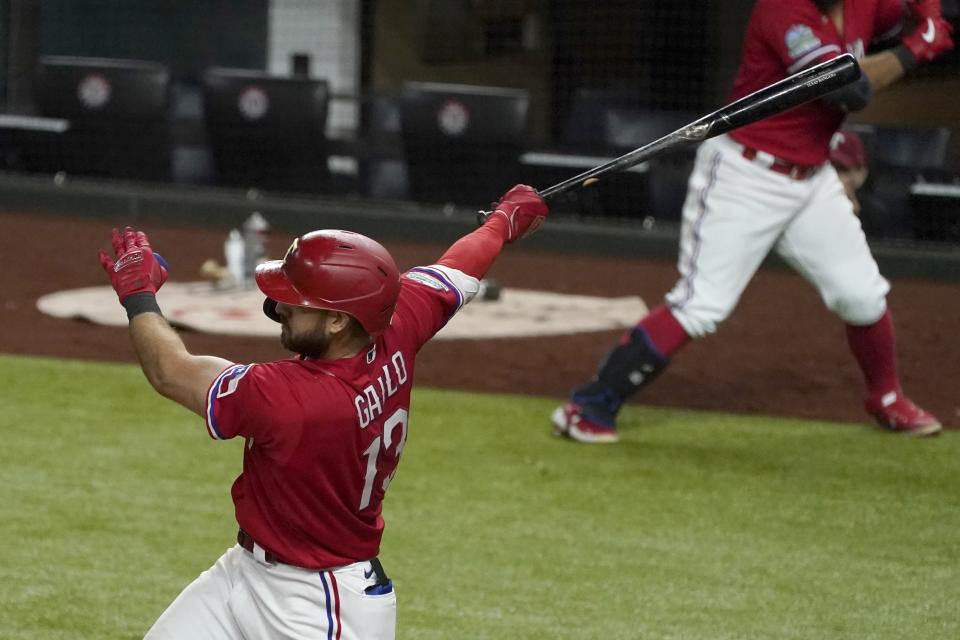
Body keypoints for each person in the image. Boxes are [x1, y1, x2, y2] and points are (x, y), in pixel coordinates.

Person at [97, 185, 548, 639]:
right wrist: (501, 223)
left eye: (298, 299)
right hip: (243, 575)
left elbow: (170, 372)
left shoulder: (292, 399)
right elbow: (459, 267)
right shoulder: (396, 320)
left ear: (336, 320)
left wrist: (138, 293)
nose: (280, 306)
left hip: (319, 605)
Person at [552, 0, 954, 443]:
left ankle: (887, 398)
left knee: (861, 296)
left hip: (813, 180)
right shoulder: (783, 10)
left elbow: (903, 13)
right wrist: (920, 47)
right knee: (701, 305)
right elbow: (848, 91)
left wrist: (928, 12)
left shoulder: (863, 4)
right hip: (746, 175)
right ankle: (588, 407)